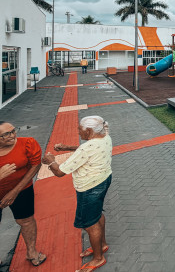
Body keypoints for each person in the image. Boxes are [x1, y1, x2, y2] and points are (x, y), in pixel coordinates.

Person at [43, 116, 112, 271]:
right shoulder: (105, 136)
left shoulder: (86, 149)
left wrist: (51, 160)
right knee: (97, 214)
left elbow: (59, 172)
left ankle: (98, 258)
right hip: (104, 180)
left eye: (80, 129)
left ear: (89, 131)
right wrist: (67, 147)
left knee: (90, 224)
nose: (78, 131)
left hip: (89, 188)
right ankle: (102, 244)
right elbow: (88, 148)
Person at [0, 121, 47, 266]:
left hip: (22, 189)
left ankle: (31, 252)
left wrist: (14, 192)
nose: (12, 135)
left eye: (13, 131)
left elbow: (35, 165)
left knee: (26, 221)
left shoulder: (27, 143)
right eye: (5, 134)